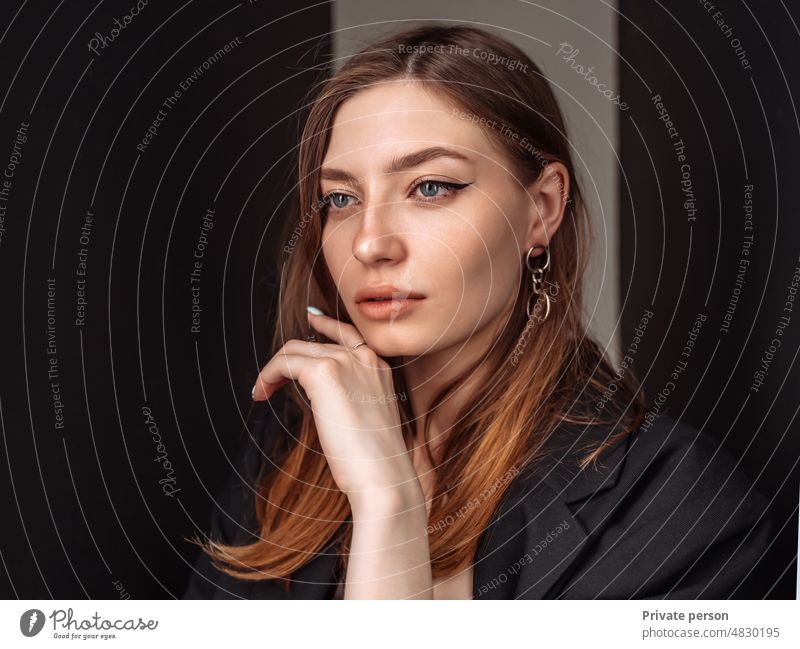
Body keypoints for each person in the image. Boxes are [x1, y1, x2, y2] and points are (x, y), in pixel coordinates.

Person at [182, 24, 776, 599]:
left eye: (431, 187)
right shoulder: (291, 442)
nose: (369, 243)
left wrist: (389, 506)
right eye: (340, 198)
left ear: (541, 208)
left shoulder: (676, 502)